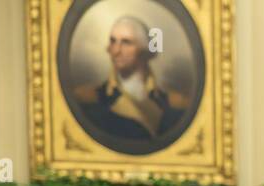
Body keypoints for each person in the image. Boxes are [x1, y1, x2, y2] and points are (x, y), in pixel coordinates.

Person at [73, 15, 187, 146]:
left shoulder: (175, 104)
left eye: (126, 42)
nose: (116, 51)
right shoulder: (88, 99)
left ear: (144, 50)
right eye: (113, 41)